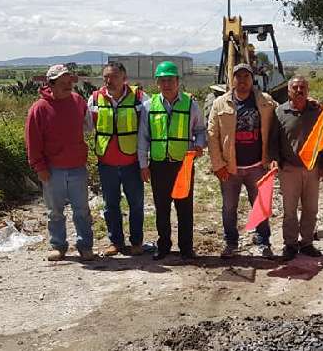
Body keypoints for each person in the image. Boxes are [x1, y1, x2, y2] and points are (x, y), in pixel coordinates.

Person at [25, 64, 94, 261]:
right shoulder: (39, 109)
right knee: (55, 212)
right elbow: (33, 141)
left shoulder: (78, 101)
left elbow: (88, 125)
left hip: (77, 167)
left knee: (82, 210)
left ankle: (85, 246)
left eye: (69, 81)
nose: (68, 85)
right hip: (52, 170)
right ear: (51, 84)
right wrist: (39, 167)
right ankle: (58, 245)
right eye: (62, 82)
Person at [138, 61, 207, 260]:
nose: (166, 84)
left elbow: (200, 131)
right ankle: (164, 246)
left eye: (170, 80)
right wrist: (143, 165)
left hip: (183, 165)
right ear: (157, 83)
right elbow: (143, 137)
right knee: (162, 208)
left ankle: (186, 248)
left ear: (178, 81)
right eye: (162, 80)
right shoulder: (148, 106)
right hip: (158, 164)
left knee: (185, 208)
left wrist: (199, 145)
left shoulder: (191, 104)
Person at [208, 63, 278, 258]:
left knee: (260, 205)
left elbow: (283, 116)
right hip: (230, 169)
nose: (242, 80)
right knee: (229, 208)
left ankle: (263, 241)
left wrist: (310, 102)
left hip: (258, 166)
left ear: (251, 79)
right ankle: (231, 243)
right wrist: (218, 165)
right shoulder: (220, 104)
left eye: (246, 76)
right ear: (232, 79)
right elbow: (212, 135)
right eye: (238, 77)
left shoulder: (266, 101)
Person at [86, 62, 146, 257]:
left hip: (132, 163)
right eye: (105, 77)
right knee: (110, 205)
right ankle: (116, 242)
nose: (109, 81)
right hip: (107, 164)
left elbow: (149, 128)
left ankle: (136, 242)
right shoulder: (94, 99)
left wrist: (147, 161)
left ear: (124, 78)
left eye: (113, 77)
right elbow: (85, 126)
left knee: (136, 204)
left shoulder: (139, 98)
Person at [268, 76, 323, 260]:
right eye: (295, 87)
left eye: (302, 87)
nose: (299, 90)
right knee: (290, 210)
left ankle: (307, 243)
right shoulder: (279, 112)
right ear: (288, 91)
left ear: (308, 90)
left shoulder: (316, 112)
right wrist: (274, 160)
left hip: (312, 169)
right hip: (289, 170)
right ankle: (290, 244)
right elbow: (274, 141)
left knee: (311, 209)